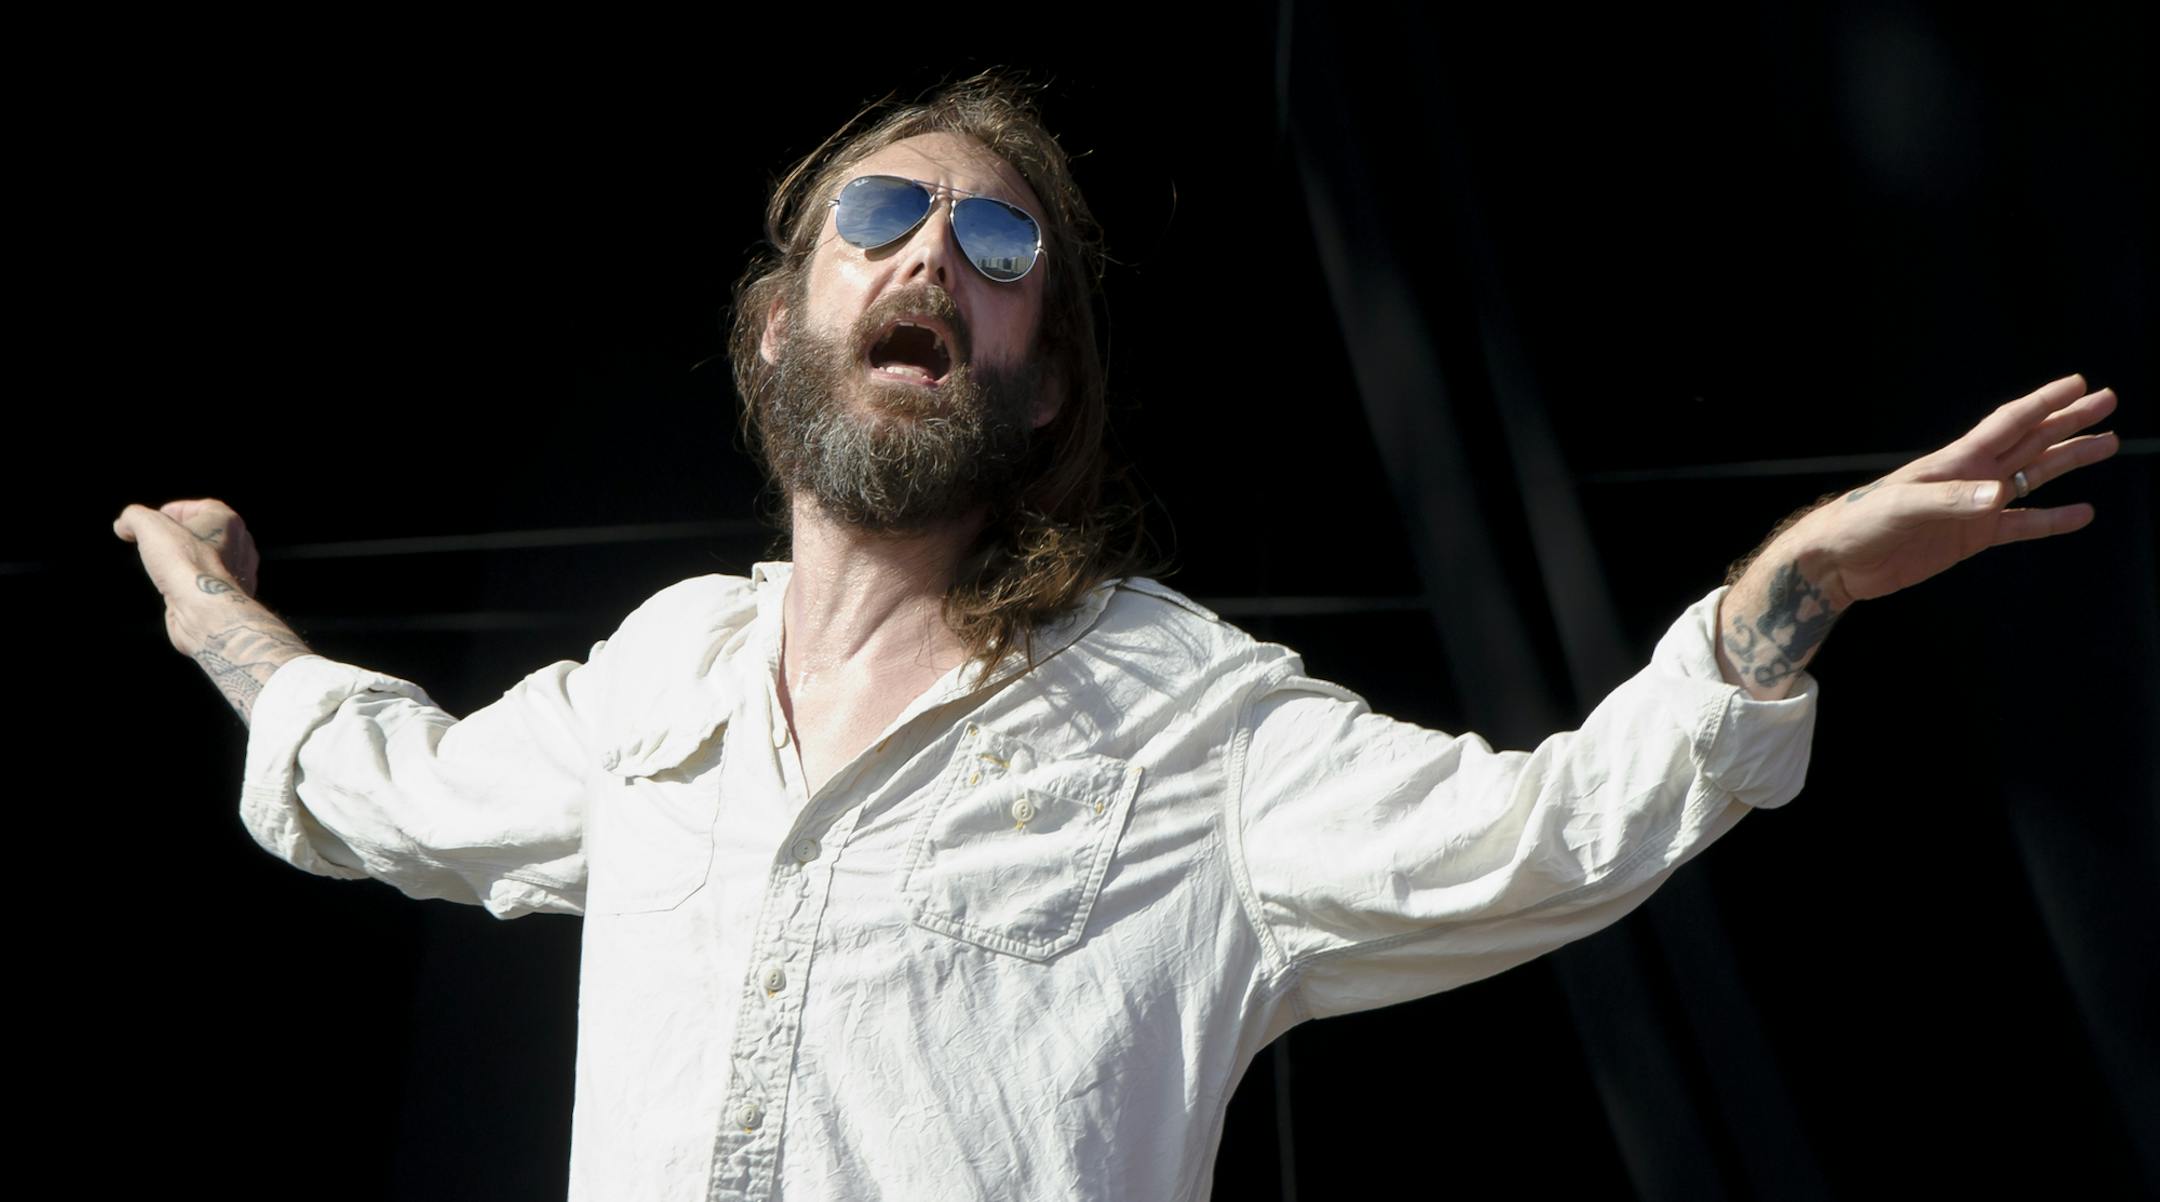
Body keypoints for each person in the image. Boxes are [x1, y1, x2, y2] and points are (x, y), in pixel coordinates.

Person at [113, 76, 2122, 1201]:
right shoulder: (661, 682)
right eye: (887, 214)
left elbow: (1560, 824)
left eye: (1001, 250)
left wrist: (1801, 591)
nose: (934, 256)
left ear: (1045, 385)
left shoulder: (1188, 724)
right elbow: (375, 778)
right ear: (770, 330)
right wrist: (208, 601)